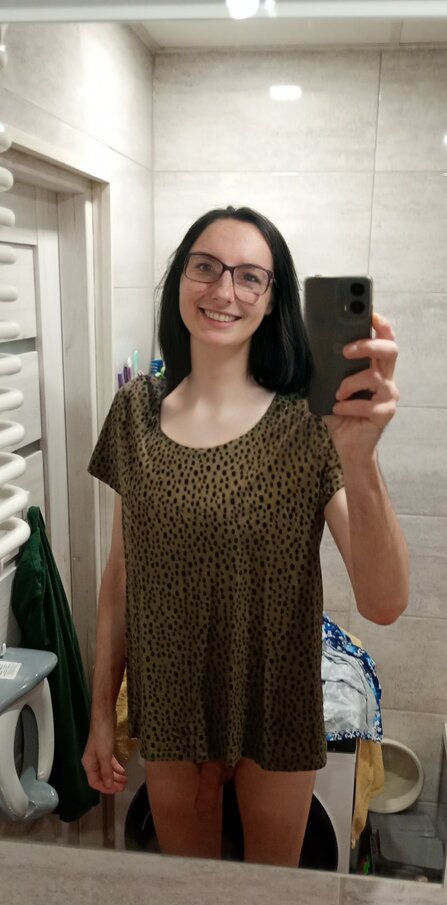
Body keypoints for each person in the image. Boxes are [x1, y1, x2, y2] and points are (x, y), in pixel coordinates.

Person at [82, 205, 408, 868]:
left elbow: (383, 604)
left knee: (269, 901)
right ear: (180, 280)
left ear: (273, 299)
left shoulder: (309, 423)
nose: (223, 290)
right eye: (205, 267)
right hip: (169, 698)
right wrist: (100, 717)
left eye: (249, 276)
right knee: (190, 895)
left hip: (275, 697)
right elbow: (120, 578)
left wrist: (361, 458)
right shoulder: (135, 410)